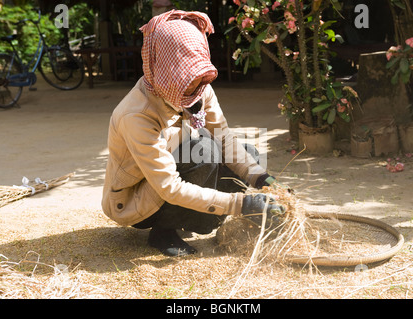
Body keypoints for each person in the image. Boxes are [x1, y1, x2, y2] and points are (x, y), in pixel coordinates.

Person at [102, 10, 285, 257]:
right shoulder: (136, 115)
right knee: (204, 152)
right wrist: (241, 205)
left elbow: (224, 137)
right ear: (166, 70)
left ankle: (202, 218)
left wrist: (263, 179)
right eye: (186, 78)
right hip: (135, 202)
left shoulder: (199, 86)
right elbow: (168, 186)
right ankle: (164, 230)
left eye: (198, 77)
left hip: (170, 179)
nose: (195, 87)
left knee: (247, 153)